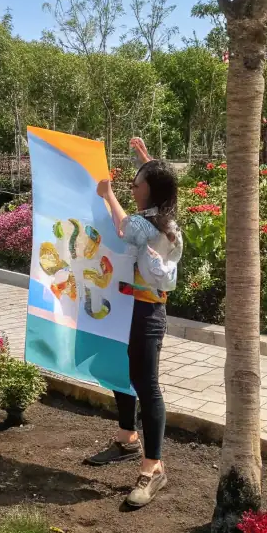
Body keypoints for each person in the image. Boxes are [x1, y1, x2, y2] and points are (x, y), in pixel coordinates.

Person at [85, 137, 183, 509]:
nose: (131, 187)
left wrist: (107, 193)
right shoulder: (164, 216)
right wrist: (148, 160)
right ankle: (127, 439)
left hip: (146, 313)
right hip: (127, 308)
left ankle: (153, 466)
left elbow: (125, 227)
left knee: (146, 384)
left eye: (136, 183)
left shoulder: (147, 225)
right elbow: (162, 181)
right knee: (119, 372)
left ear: (150, 191)